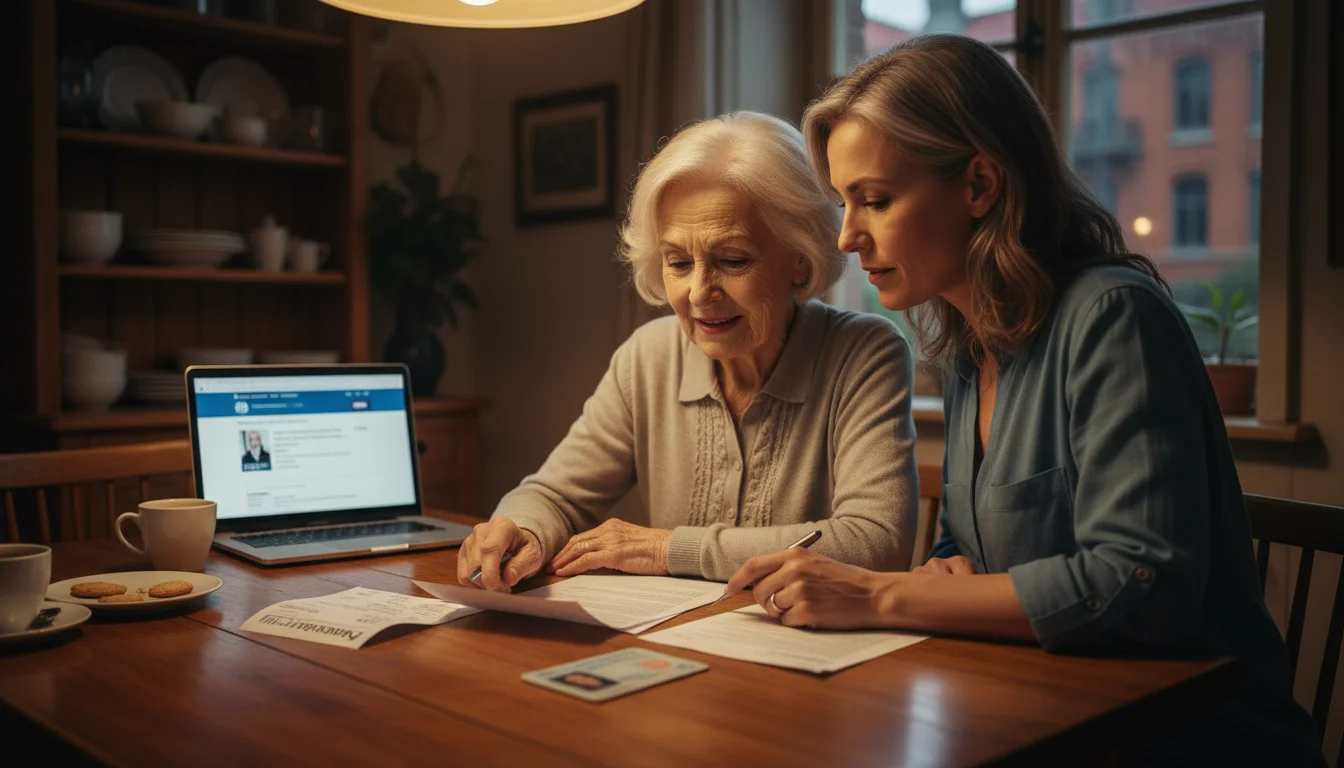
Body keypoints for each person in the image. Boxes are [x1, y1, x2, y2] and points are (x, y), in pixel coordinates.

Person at [722, 36, 1323, 766]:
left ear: (979, 185)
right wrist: (950, 567)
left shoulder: (1112, 319)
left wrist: (879, 595)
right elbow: (972, 547)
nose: (849, 236)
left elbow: (1141, 585)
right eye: (845, 203)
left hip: (1189, 742)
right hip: (1036, 713)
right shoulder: (970, 346)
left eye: (874, 199)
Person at [458, 111, 919, 592]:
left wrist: (666, 549)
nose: (699, 292)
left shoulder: (865, 353)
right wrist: (522, 528)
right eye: (678, 262)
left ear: (800, 264)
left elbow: (876, 543)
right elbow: (556, 494)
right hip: (675, 643)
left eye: (733, 260)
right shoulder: (649, 356)